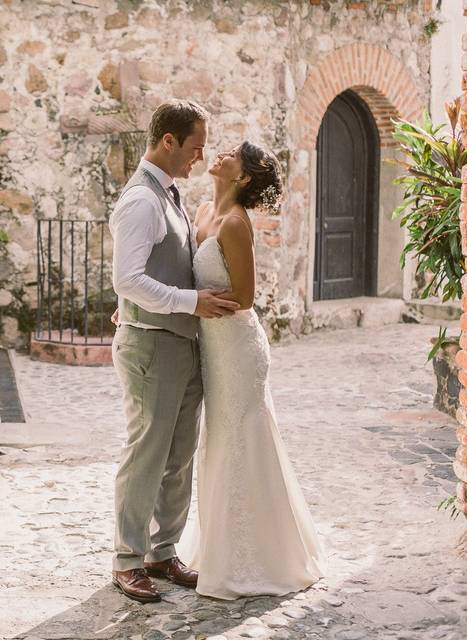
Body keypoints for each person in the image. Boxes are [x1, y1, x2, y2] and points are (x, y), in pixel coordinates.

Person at [178, 141, 326, 599]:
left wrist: (199, 307)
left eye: (231, 155)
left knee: (244, 439)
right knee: (219, 440)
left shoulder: (237, 224)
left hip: (238, 349)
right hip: (213, 346)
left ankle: (260, 558)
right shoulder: (202, 211)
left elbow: (243, 297)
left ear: (242, 177)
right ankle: (221, 547)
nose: (219, 154)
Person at [108, 99, 239, 604]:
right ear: (169, 141)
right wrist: (190, 302)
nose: (199, 158)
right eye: (195, 146)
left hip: (182, 343)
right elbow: (129, 278)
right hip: (152, 346)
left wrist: (180, 307)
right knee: (146, 454)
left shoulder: (170, 194)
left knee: (178, 457)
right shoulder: (141, 199)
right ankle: (127, 559)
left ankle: (162, 551)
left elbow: (157, 269)